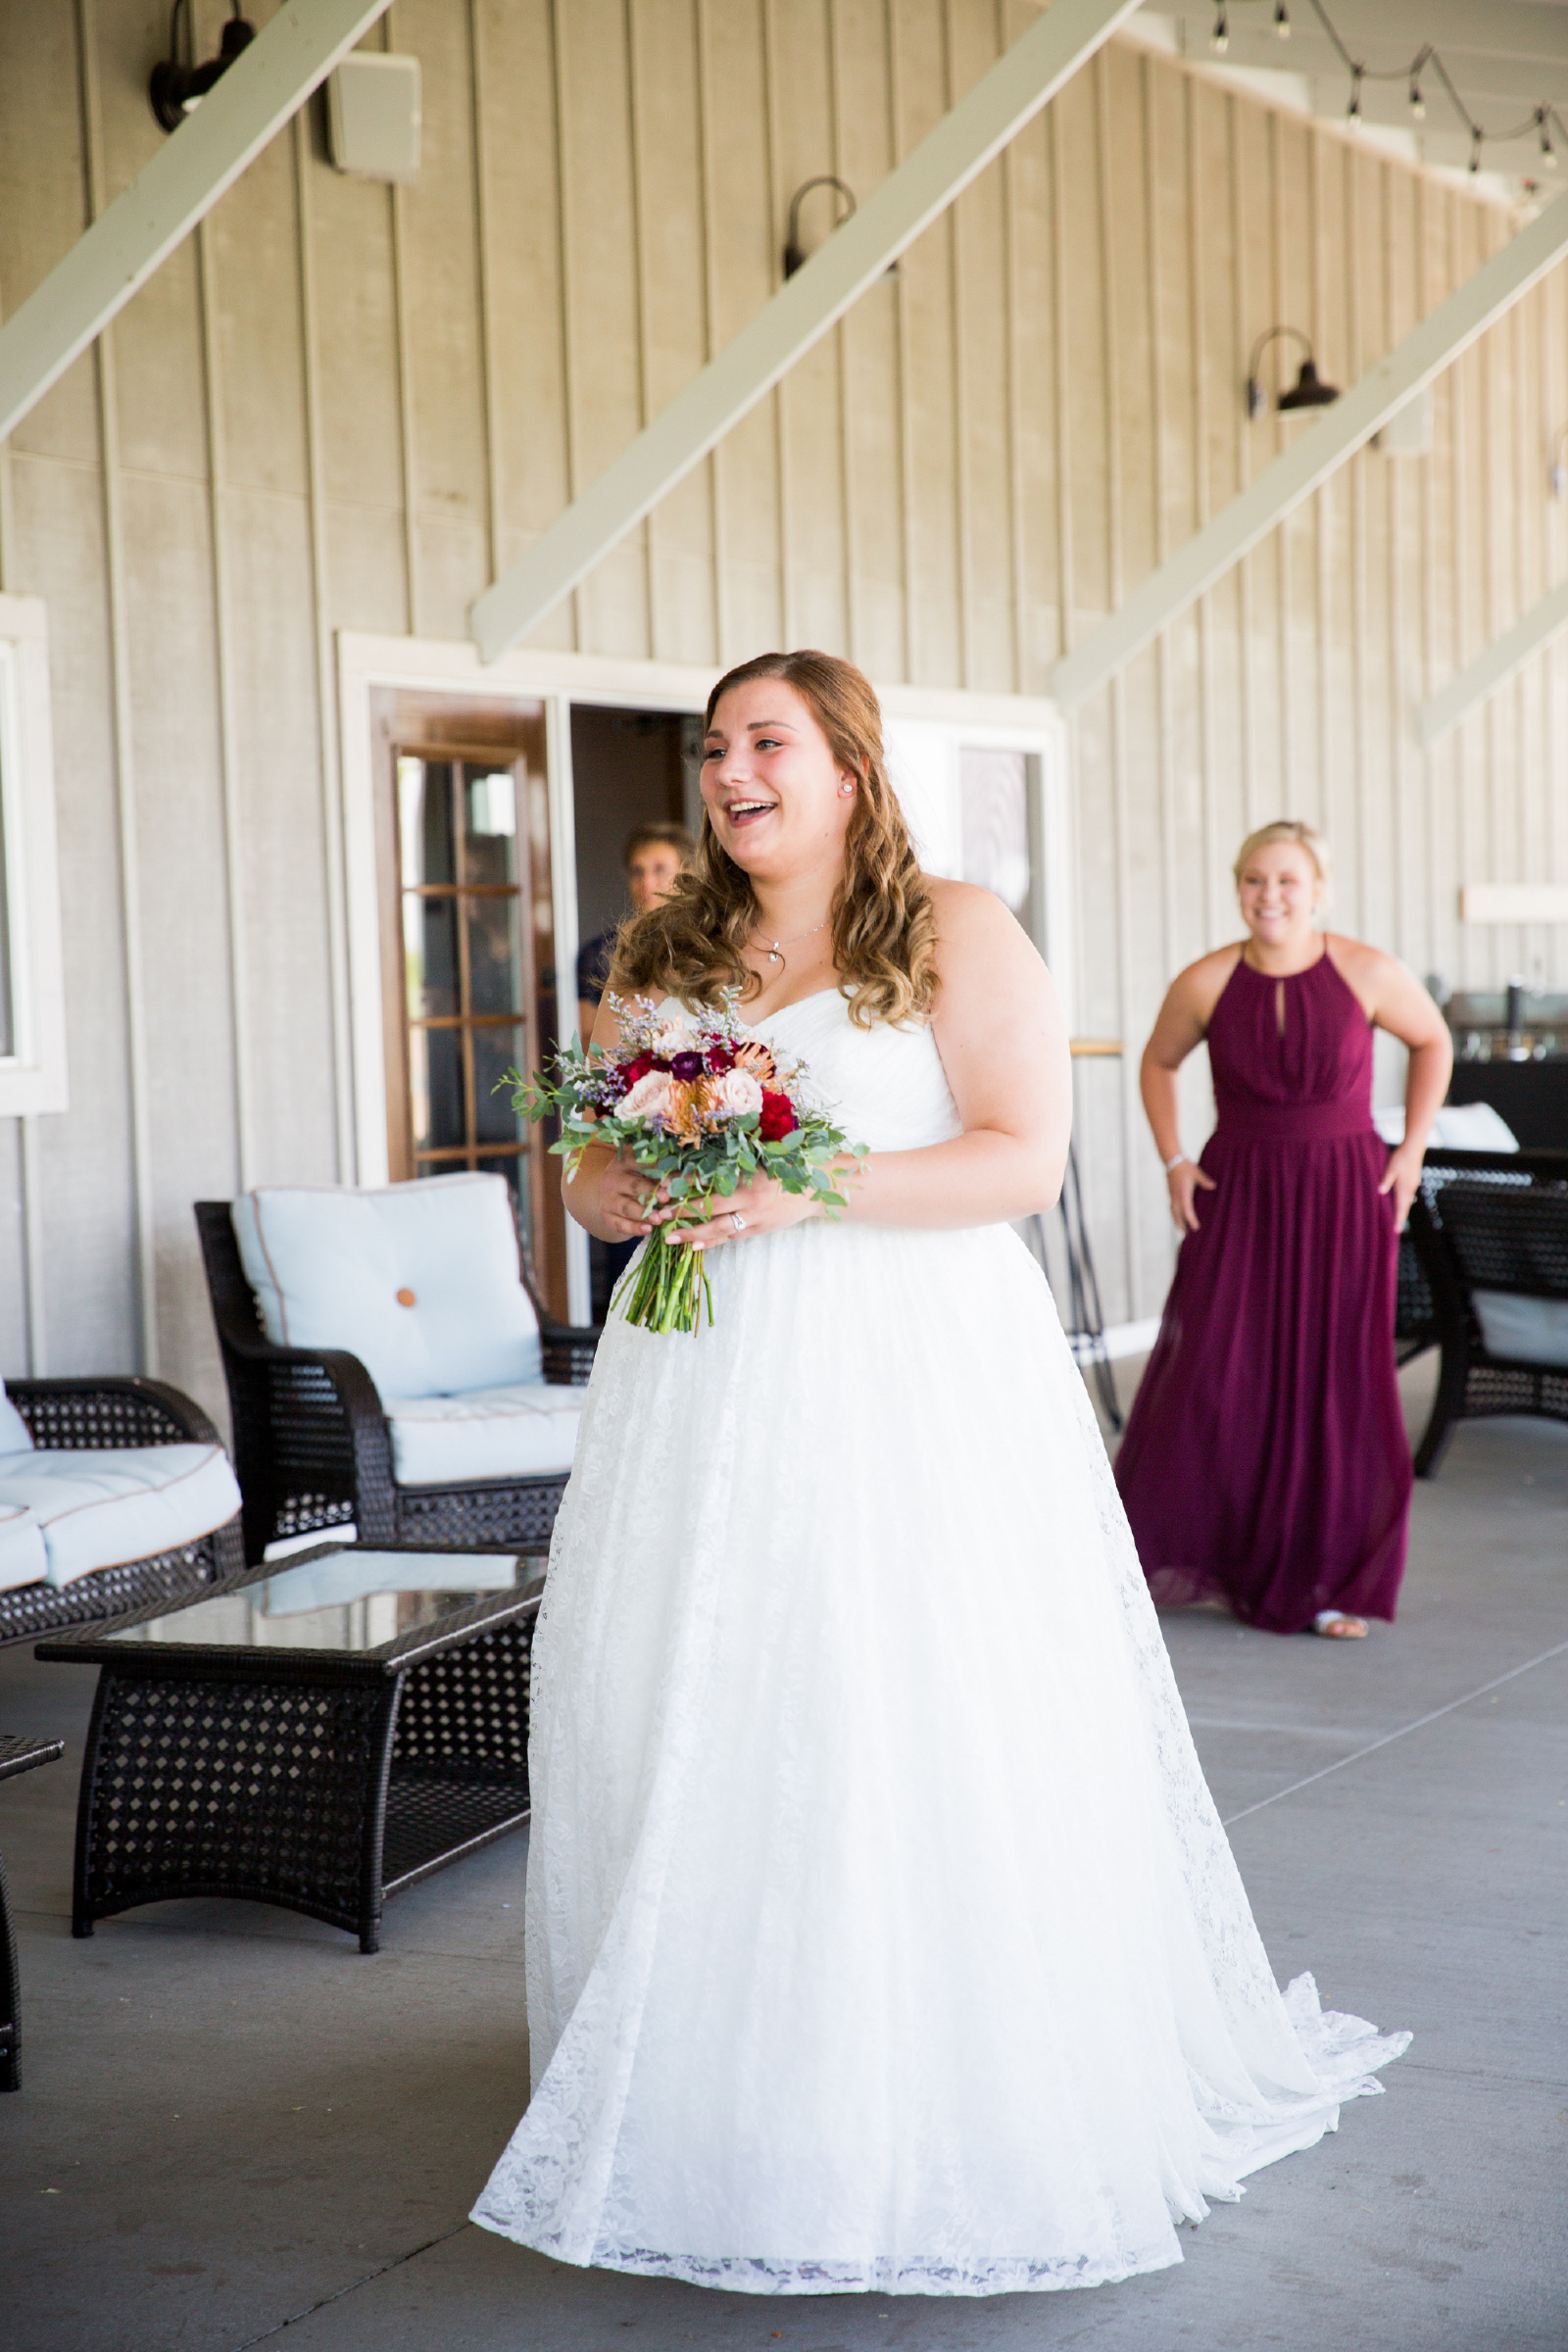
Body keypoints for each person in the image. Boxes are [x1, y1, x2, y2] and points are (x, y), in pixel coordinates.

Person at [471, 660, 1407, 2297]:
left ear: (845, 764)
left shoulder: (957, 930)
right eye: (713, 749)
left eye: (766, 743)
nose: (730, 770)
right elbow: (592, 1160)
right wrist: (626, 1192)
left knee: (891, 1705)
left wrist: (794, 1188)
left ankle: (925, 2095)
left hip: (902, 1383)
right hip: (696, 1385)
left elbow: (1021, 1156)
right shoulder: (666, 956)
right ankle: (719, 2082)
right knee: (702, 1703)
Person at [1114, 821, 1451, 1640]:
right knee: (1219, 1369)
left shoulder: (1366, 969)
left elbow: (1432, 1038)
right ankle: (1219, 1553)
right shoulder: (1206, 979)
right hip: (1239, 1188)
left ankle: (1331, 1580)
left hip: (1345, 1190)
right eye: (1255, 881)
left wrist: (1411, 1150)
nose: (1270, 896)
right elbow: (1157, 1063)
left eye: (1288, 881)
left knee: (1336, 1378)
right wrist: (1171, 1160)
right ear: (1239, 888)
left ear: (1319, 890)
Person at [576, 821, 694, 1045]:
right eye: (637, 872)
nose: (647, 883)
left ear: (687, 872)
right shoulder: (600, 952)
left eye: (660, 870)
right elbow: (589, 1043)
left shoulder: (708, 943)